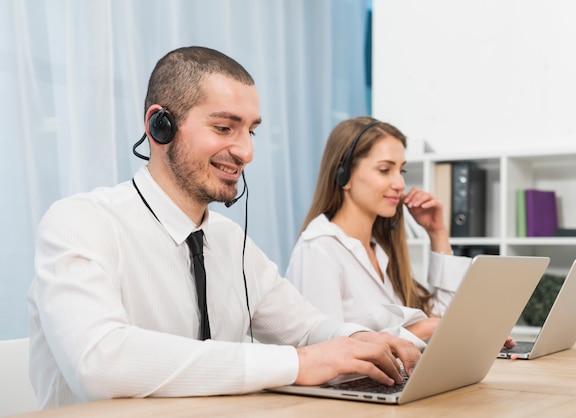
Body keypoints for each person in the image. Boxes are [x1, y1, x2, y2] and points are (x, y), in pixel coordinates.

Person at [27, 47, 420, 409]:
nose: (246, 151)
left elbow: (305, 328)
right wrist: (297, 363)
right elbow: (100, 362)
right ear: (159, 126)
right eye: (224, 128)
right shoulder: (80, 223)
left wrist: (358, 340)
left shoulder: (230, 241)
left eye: (251, 130)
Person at [286, 117, 515, 350]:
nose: (400, 183)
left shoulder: (381, 250)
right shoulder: (319, 249)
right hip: (350, 387)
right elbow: (324, 353)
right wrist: (420, 331)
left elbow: (441, 320)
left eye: (401, 170)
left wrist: (438, 234)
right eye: (385, 170)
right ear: (343, 176)